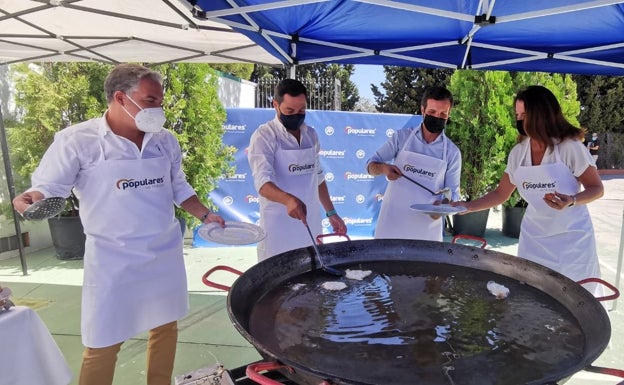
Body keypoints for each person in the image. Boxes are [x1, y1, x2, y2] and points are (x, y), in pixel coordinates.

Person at [12, 63, 225, 385]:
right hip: (113, 257)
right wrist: (31, 198)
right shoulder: (77, 141)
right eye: (151, 100)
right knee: (102, 340)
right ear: (121, 98)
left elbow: (178, 186)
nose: (159, 108)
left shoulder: (164, 140)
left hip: (162, 252)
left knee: (165, 326)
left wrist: (205, 215)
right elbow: (50, 187)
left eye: (160, 100)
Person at [452, 85, 604, 294]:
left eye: (525, 115)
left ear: (542, 115)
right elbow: (500, 194)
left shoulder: (569, 147)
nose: (519, 121)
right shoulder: (518, 154)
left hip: (572, 244)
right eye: (518, 115)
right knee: (533, 298)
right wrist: (467, 207)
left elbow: (596, 188)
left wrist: (572, 199)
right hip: (534, 240)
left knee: (573, 302)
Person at [247, 79, 347, 261]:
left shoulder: (311, 135)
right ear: (276, 105)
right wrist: (288, 200)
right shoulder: (264, 136)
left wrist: (332, 213)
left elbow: (318, 177)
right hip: (278, 228)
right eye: (289, 111)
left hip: (311, 224)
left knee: (313, 277)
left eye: (301, 111)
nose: (296, 116)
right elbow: (262, 184)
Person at [366, 86, 461, 241]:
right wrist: (384, 168)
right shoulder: (401, 138)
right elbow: (370, 167)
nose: (437, 117)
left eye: (443, 114)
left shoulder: (452, 152)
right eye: (432, 112)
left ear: (448, 114)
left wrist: (442, 207)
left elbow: (453, 194)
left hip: (427, 230)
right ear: (422, 110)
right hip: (392, 224)